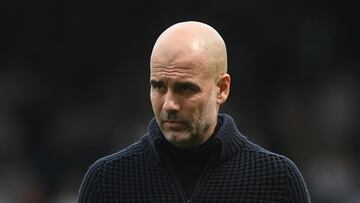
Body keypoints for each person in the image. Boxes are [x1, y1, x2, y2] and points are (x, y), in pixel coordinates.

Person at [78, 21, 311, 202]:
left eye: (185, 88)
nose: (169, 104)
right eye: (158, 86)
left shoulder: (277, 181)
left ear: (222, 88)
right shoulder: (107, 181)